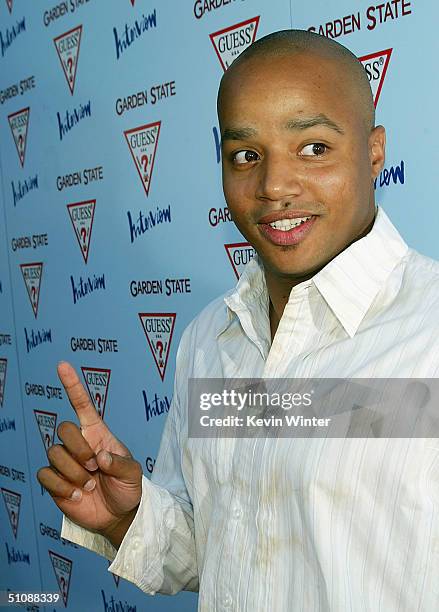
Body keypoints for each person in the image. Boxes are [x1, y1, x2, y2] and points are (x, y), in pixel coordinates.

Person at [37, 30, 439, 610]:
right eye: (246, 156)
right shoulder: (211, 339)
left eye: (314, 148)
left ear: (374, 150)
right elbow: (224, 550)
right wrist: (130, 520)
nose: (274, 186)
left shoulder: (428, 336)